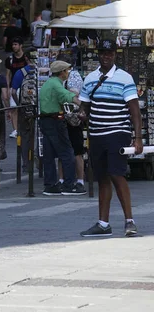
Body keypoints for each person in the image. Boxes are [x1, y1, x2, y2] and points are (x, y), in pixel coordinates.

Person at [79, 40, 142, 238]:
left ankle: (129, 221)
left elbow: (134, 110)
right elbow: (85, 107)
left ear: (115, 55)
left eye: (110, 53)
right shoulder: (90, 78)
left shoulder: (124, 78)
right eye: (103, 53)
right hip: (96, 134)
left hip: (117, 132)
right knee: (102, 178)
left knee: (117, 174)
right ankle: (103, 223)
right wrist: (80, 115)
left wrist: (137, 138)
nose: (106, 56)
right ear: (98, 54)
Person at [39, 60, 85, 196]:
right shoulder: (55, 84)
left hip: (45, 120)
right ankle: (69, 185)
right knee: (67, 152)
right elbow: (66, 95)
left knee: (49, 154)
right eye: (66, 71)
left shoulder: (48, 83)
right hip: (55, 121)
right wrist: (82, 104)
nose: (67, 73)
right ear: (61, 73)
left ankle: (50, 185)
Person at [56, 55, 85, 191]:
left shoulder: (73, 76)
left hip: (72, 118)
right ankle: (62, 179)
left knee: (76, 150)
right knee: (63, 150)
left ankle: (79, 180)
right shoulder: (59, 78)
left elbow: (73, 94)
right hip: (64, 116)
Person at [5, 38, 30, 139]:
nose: (14, 46)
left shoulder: (26, 57)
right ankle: (15, 130)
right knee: (13, 108)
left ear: (21, 45)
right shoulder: (10, 59)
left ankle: (25, 127)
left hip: (26, 86)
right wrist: (8, 88)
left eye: (16, 44)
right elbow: (8, 74)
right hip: (14, 86)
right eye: (13, 45)